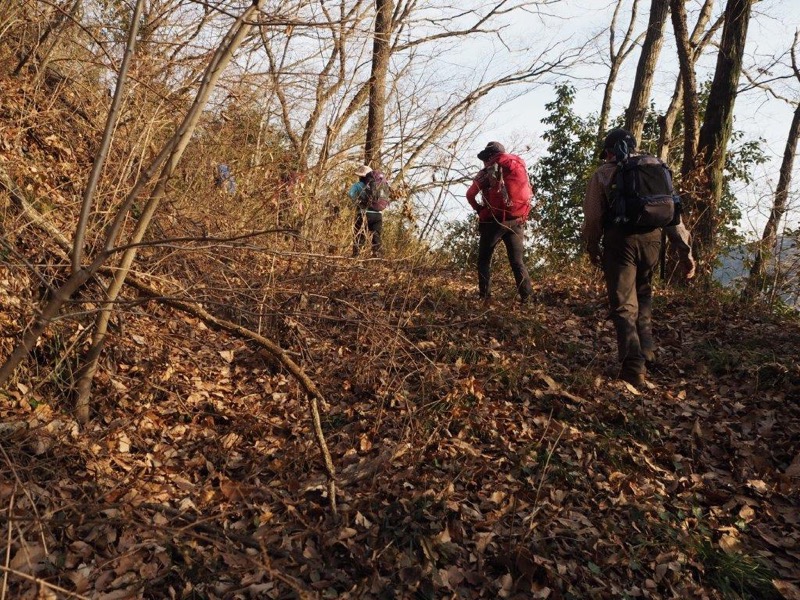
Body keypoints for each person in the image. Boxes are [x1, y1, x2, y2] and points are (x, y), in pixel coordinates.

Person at [582, 128, 696, 387]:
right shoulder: (655, 167)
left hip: (620, 241)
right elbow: (671, 214)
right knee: (643, 294)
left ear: (609, 151)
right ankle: (647, 351)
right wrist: (684, 251)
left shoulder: (603, 173)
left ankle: (633, 368)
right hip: (653, 240)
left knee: (623, 304)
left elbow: (593, 218)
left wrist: (592, 247)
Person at [466, 141, 533, 305]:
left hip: (493, 221)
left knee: (484, 260)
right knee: (517, 261)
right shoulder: (516, 167)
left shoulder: (487, 171)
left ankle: (485, 298)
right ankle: (528, 299)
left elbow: (470, 194)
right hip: (517, 220)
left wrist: (479, 209)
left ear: (489, 157)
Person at [348, 164, 389, 257]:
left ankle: (356, 256)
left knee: (359, 234)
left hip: (364, 213)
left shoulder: (358, 185)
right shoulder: (379, 184)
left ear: (361, 176)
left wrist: (358, 202)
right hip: (378, 214)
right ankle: (377, 256)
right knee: (376, 235)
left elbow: (350, 194)